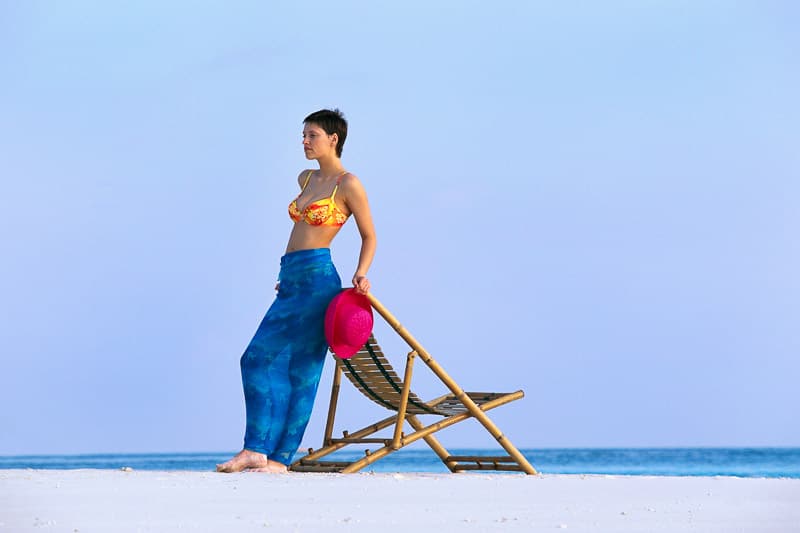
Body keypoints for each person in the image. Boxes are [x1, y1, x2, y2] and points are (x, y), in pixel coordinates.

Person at [217, 109, 376, 473]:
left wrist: (361, 274)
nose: (304, 141)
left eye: (312, 135)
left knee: (294, 368)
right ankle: (260, 451)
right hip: (291, 278)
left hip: (320, 281)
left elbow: (370, 236)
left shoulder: (348, 183)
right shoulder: (306, 178)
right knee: (262, 360)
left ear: (333, 139)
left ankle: (275, 456)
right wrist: (288, 275)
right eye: (303, 135)